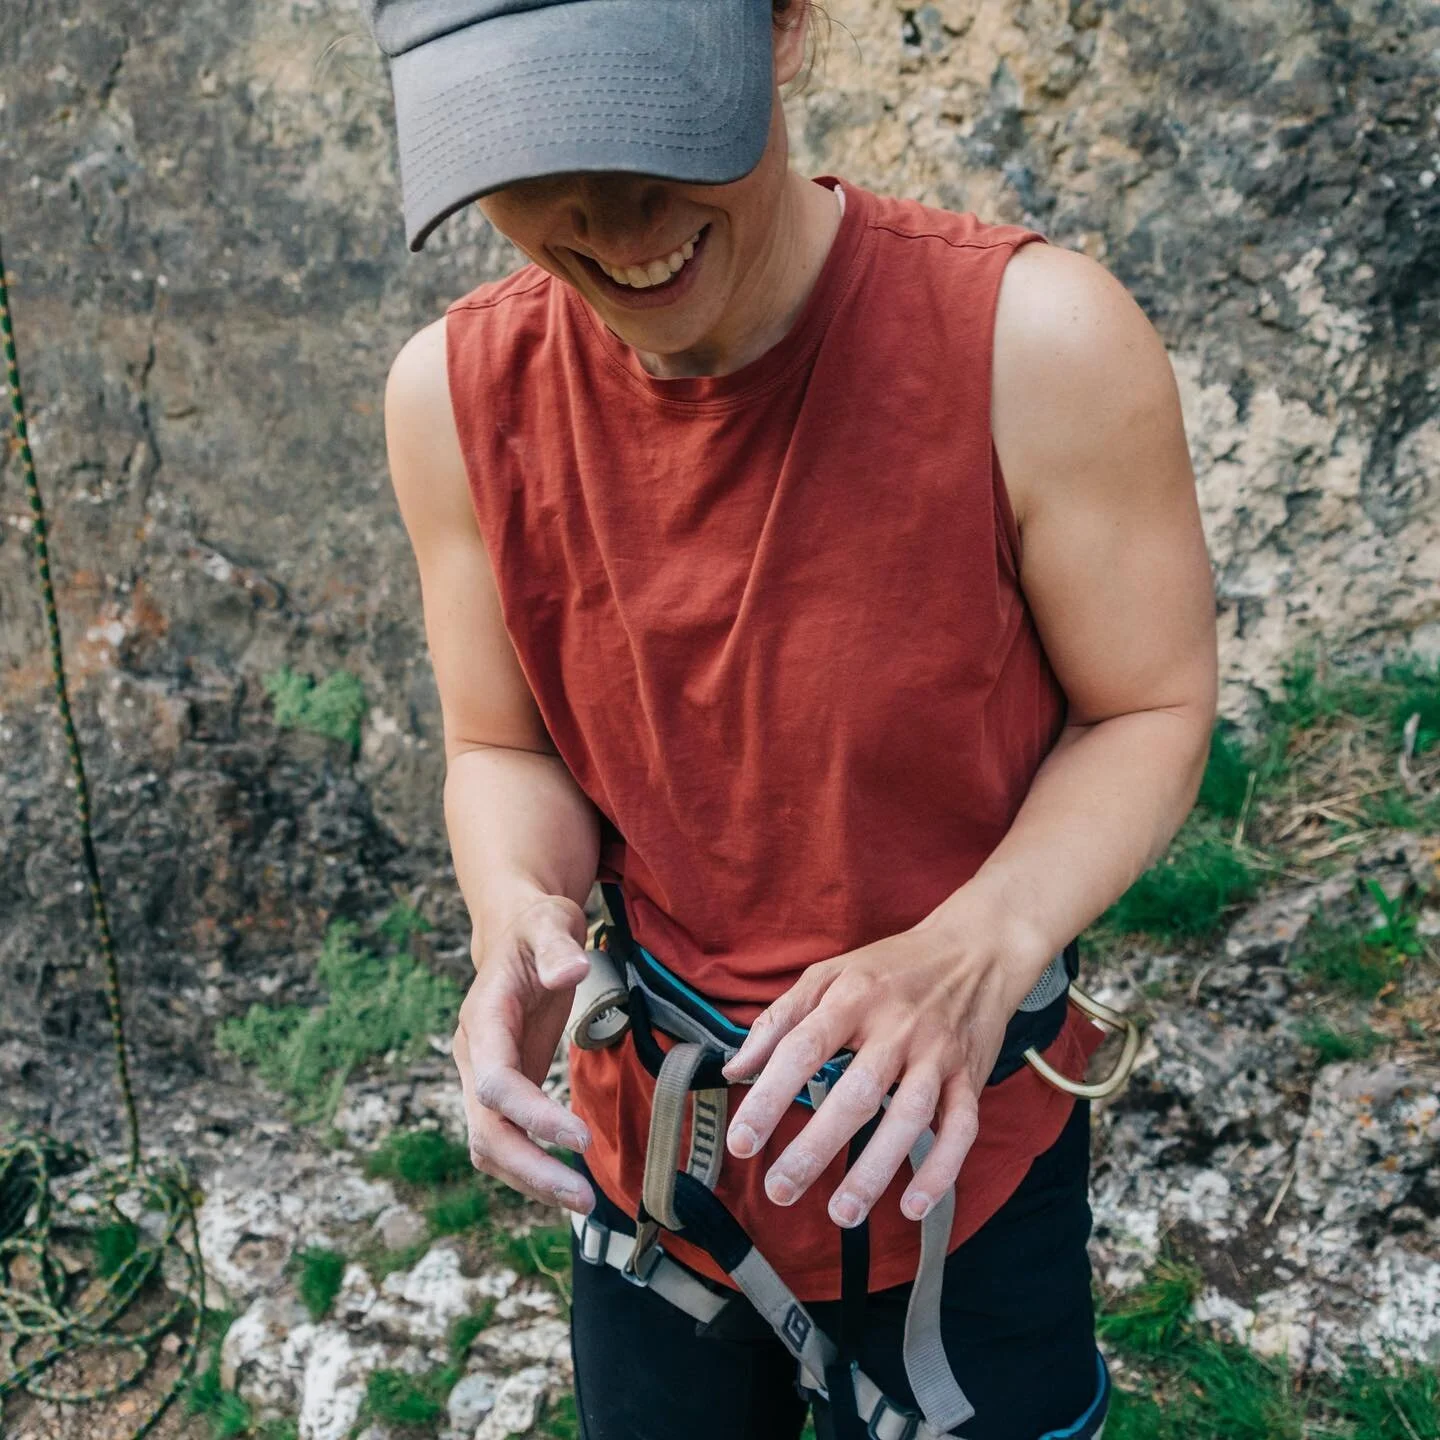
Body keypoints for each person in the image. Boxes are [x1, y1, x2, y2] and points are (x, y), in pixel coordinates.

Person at [368, 0, 1218, 1434]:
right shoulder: (453, 398)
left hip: (962, 1153)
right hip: (655, 1152)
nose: (608, 214)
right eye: (528, 151)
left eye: (649, 126)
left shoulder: (1035, 345)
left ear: (783, 30)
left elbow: (1150, 705)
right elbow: (504, 742)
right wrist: (513, 907)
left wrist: (982, 941)